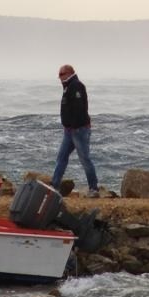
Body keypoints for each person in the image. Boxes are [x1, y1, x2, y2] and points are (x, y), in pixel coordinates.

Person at [51, 64, 100, 198]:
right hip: (69, 131)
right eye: (59, 75)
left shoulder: (76, 86)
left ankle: (93, 188)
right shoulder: (68, 87)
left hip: (79, 130)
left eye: (61, 75)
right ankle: (54, 186)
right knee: (61, 157)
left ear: (69, 73)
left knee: (84, 159)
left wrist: (74, 125)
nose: (59, 78)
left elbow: (79, 109)